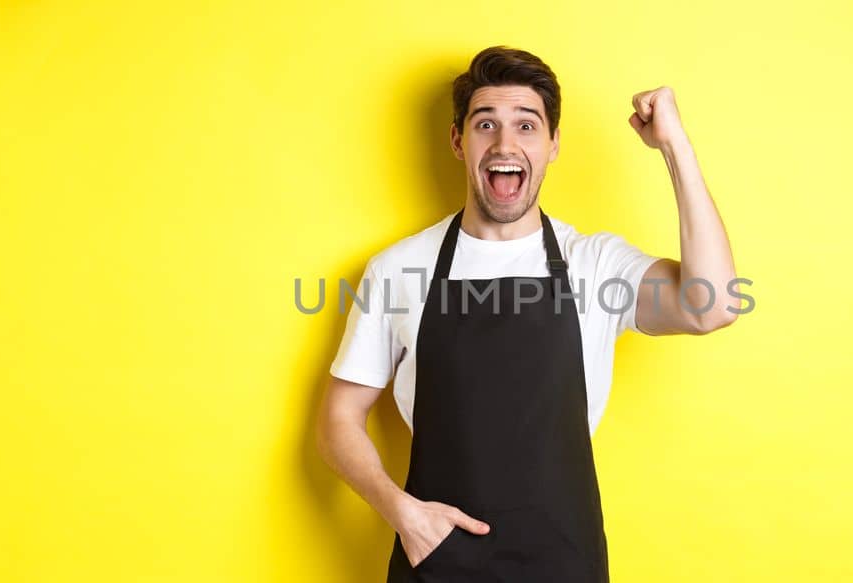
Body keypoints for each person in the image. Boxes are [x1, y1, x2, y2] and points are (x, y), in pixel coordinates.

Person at [315, 45, 741, 582]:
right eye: (485, 123)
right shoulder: (398, 269)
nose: (504, 143)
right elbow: (338, 420)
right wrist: (402, 513)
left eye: (526, 125)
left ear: (553, 144)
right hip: (438, 561)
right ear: (458, 140)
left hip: (564, 562)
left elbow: (715, 305)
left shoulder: (595, 264)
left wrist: (674, 145)